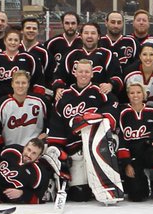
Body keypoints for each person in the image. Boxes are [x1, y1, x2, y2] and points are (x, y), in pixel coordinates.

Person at [46, 59, 119, 202]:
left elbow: (113, 108)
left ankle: (107, 182)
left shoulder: (100, 91)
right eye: (80, 71)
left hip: (97, 147)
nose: (83, 75)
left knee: (113, 140)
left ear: (92, 74)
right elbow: (57, 126)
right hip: (76, 151)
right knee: (80, 195)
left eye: (87, 72)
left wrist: (97, 118)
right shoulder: (63, 96)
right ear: (75, 73)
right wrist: (61, 151)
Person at [116, 81, 153, 201]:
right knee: (137, 196)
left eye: (138, 92)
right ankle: (142, 180)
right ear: (128, 95)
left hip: (149, 152)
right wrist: (127, 164)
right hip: (133, 155)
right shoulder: (122, 112)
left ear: (144, 95)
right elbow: (122, 140)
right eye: (132, 93)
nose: (135, 95)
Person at [53, 21, 122, 95]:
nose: (89, 36)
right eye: (86, 33)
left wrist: (110, 85)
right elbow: (58, 76)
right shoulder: (71, 55)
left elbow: (118, 77)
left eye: (93, 33)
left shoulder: (108, 55)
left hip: (100, 98)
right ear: (81, 36)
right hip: (74, 99)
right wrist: (59, 88)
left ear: (98, 36)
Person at [0, 71, 48, 151]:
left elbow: (51, 122)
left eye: (23, 83)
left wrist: (45, 135)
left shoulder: (40, 101)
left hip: (34, 150)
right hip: (10, 150)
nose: (20, 86)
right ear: (12, 84)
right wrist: (2, 149)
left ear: (28, 84)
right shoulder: (1, 104)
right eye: (17, 83)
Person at [0, 28, 42, 97]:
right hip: (1, 99)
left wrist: (35, 97)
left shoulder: (30, 58)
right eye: (10, 40)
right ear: (5, 41)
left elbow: (38, 80)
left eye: (16, 40)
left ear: (20, 42)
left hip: (25, 99)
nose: (13, 42)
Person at [122, 42, 153, 110]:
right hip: (131, 110)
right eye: (144, 54)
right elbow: (123, 96)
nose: (148, 58)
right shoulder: (128, 72)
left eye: (151, 54)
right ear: (140, 56)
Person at [45, 11, 82, 85]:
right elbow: (47, 67)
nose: (70, 26)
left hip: (79, 84)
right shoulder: (52, 43)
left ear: (78, 25)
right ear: (62, 24)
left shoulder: (84, 41)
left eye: (73, 23)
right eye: (67, 23)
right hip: (57, 85)